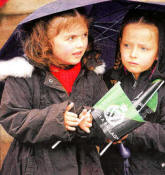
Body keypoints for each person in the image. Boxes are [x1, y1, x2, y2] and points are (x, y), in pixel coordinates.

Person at [0, 9, 107, 175]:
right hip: (36, 167)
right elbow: (13, 117)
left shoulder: (92, 75)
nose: (80, 44)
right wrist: (57, 119)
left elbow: (107, 117)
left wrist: (91, 122)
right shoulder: (24, 74)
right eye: (71, 38)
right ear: (46, 41)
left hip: (84, 166)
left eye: (84, 35)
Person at [102, 9, 165, 175]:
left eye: (144, 48)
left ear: (159, 51)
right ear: (120, 42)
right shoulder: (108, 79)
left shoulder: (162, 87)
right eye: (127, 45)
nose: (133, 54)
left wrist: (130, 130)